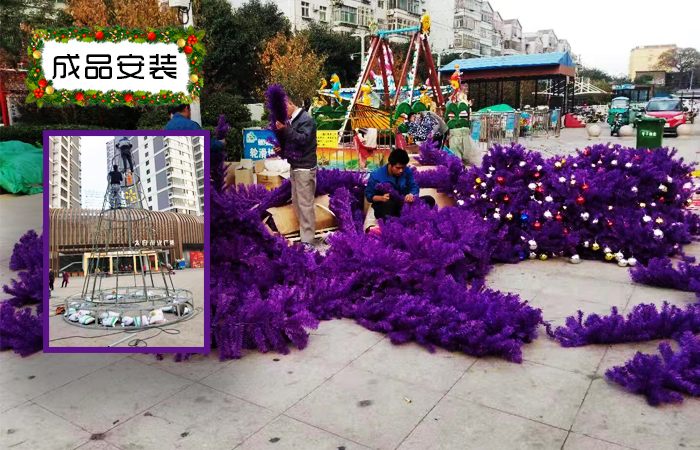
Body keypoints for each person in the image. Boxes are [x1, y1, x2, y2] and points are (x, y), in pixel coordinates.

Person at [273, 96, 318, 249]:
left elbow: (303, 139)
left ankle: (308, 240)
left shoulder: (306, 119)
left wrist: (285, 130)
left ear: (290, 103)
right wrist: (282, 149)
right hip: (296, 166)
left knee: (305, 204)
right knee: (297, 202)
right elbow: (294, 144)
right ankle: (304, 235)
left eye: (283, 108)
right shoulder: (292, 120)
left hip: (305, 168)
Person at [365, 148, 436, 221]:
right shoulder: (376, 175)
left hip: (403, 204)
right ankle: (394, 223)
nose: (401, 171)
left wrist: (411, 195)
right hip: (385, 207)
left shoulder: (407, 171)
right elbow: (369, 196)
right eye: (398, 168)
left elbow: (414, 186)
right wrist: (381, 198)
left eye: (403, 167)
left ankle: (410, 219)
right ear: (390, 165)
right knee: (389, 205)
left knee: (429, 200)